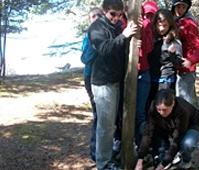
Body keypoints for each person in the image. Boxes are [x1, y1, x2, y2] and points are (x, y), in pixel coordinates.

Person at [87, 0, 138, 169]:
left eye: (119, 14)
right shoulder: (96, 28)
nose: (116, 18)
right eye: (112, 14)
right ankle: (103, 163)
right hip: (102, 84)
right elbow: (106, 49)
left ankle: (108, 158)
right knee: (105, 126)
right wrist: (124, 35)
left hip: (115, 82)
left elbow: (120, 49)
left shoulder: (114, 26)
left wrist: (133, 44)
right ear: (104, 11)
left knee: (111, 124)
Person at [134, 89, 199, 170]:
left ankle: (186, 160)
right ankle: (162, 155)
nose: (161, 113)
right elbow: (148, 133)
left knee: (187, 144)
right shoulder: (153, 107)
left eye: (165, 110)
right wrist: (140, 160)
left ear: (173, 104)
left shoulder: (182, 111)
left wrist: (161, 166)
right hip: (168, 124)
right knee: (144, 128)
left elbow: (176, 140)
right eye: (159, 109)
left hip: (191, 124)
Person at [147, 9, 183, 110]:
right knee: (150, 108)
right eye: (159, 25)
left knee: (164, 109)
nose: (161, 28)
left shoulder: (174, 42)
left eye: (165, 25)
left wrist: (172, 55)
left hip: (166, 82)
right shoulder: (153, 39)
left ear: (170, 25)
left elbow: (179, 64)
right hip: (152, 80)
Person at [171, 0, 199, 105]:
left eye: (183, 7)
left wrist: (190, 61)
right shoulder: (172, 21)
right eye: (178, 7)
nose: (180, 10)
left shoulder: (189, 23)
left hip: (185, 71)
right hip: (172, 70)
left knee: (183, 103)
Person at [134, 0, 159, 148]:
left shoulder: (149, 27)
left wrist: (144, 30)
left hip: (144, 73)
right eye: (147, 14)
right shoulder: (130, 22)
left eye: (152, 15)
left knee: (141, 113)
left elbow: (148, 49)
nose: (149, 18)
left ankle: (141, 147)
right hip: (129, 73)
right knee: (127, 112)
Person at [80, 7, 102, 162]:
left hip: (103, 78)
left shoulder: (107, 30)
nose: (95, 18)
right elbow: (85, 58)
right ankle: (95, 153)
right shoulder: (89, 35)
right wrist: (98, 46)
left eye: (98, 15)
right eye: (92, 16)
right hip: (90, 78)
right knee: (99, 116)